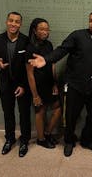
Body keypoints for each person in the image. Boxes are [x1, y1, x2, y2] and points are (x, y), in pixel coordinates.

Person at [28, 10, 92, 157]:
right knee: (70, 116)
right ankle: (69, 141)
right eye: (90, 20)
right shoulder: (78, 35)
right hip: (75, 85)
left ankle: (87, 140)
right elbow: (62, 50)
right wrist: (46, 59)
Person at [0, 11, 31, 157]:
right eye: (11, 20)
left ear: (20, 24)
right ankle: (10, 139)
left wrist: (24, 85)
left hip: (22, 85)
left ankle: (24, 140)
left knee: (24, 114)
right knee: (8, 113)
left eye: (17, 21)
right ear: (7, 22)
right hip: (5, 84)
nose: (14, 24)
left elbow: (29, 67)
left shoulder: (26, 41)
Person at [26, 18, 62, 149]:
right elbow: (29, 74)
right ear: (35, 31)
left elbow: (52, 65)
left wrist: (54, 83)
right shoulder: (30, 48)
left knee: (58, 107)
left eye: (47, 29)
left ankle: (47, 133)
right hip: (37, 85)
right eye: (41, 29)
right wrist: (35, 95)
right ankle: (41, 139)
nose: (45, 32)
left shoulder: (49, 45)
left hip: (49, 83)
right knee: (40, 111)